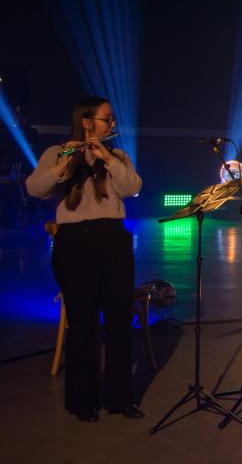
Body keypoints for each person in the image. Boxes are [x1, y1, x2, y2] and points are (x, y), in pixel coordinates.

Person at [26, 97, 143, 422]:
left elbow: (133, 187)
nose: (113, 124)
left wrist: (106, 157)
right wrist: (64, 164)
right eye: (107, 119)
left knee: (119, 321)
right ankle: (82, 402)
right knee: (83, 324)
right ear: (87, 121)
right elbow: (35, 188)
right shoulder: (57, 152)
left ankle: (121, 398)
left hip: (113, 240)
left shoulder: (116, 154)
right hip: (74, 243)